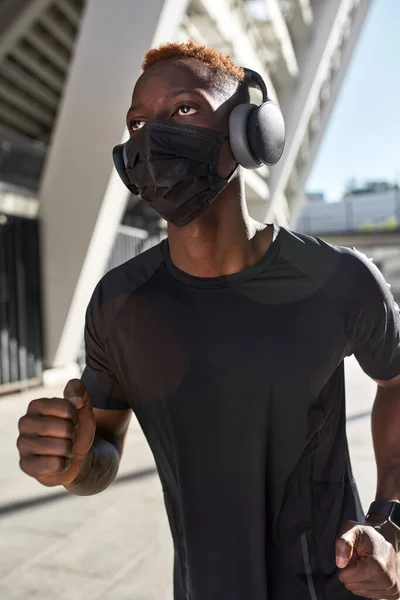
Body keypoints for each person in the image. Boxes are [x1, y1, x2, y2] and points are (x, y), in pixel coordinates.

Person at [17, 41, 400, 600]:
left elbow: (395, 378)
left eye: (185, 108)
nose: (152, 136)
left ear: (252, 132)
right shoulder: (118, 305)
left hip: (338, 587)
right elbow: (101, 449)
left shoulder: (337, 278)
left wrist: (391, 519)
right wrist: (70, 465)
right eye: (137, 122)